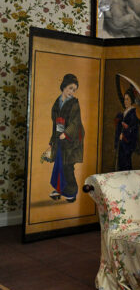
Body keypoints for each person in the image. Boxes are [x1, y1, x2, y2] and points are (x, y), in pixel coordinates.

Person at [48, 74, 85, 203]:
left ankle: (71, 192)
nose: (72, 92)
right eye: (70, 88)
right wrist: (53, 139)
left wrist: (67, 133)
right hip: (59, 137)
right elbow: (55, 123)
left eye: (74, 90)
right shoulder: (57, 102)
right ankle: (60, 190)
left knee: (68, 166)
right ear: (63, 87)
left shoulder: (74, 103)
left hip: (71, 139)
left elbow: (75, 122)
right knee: (59, 165)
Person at [114, 89, 140, 171]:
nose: (125, 101)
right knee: (121, 163)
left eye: (127, 99)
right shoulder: (125, 112)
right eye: (124, 99)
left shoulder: (133, 113)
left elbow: (134, 129)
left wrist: (125, 133)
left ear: (131, 100)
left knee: (126, 163)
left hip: (127, 144)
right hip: (122, 142)